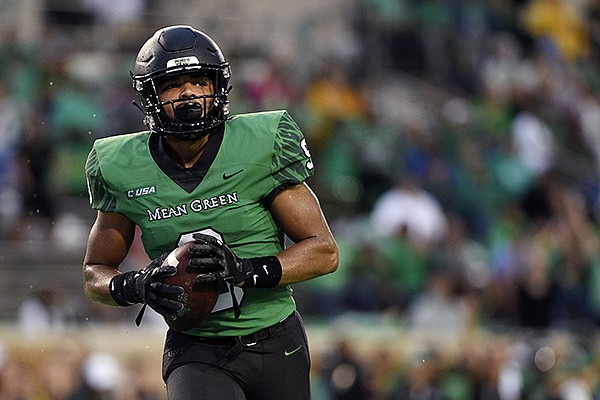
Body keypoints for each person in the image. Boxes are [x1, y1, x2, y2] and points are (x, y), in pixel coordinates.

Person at [82, 25, 339, 400]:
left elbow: (324, 251)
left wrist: (247, 270)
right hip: (195, 347)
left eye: (199, 81)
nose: (188, 93)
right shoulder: (119, 165)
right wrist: (135, 285)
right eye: (173, 84)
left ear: (217, 87)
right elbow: (94, 275)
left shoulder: (261, 143)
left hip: (274, 338)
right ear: (150, 95)